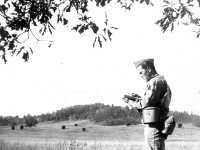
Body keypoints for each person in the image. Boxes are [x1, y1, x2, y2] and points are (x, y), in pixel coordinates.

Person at [123, 58, 172, 150]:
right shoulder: (161, 80)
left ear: (149, 69)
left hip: (153, 127)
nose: (141, 76)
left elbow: (147, 103)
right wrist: (139, 99)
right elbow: (153, 102)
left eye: (141, 72)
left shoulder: (154, 82)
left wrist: (131, 102)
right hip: (158, 125)